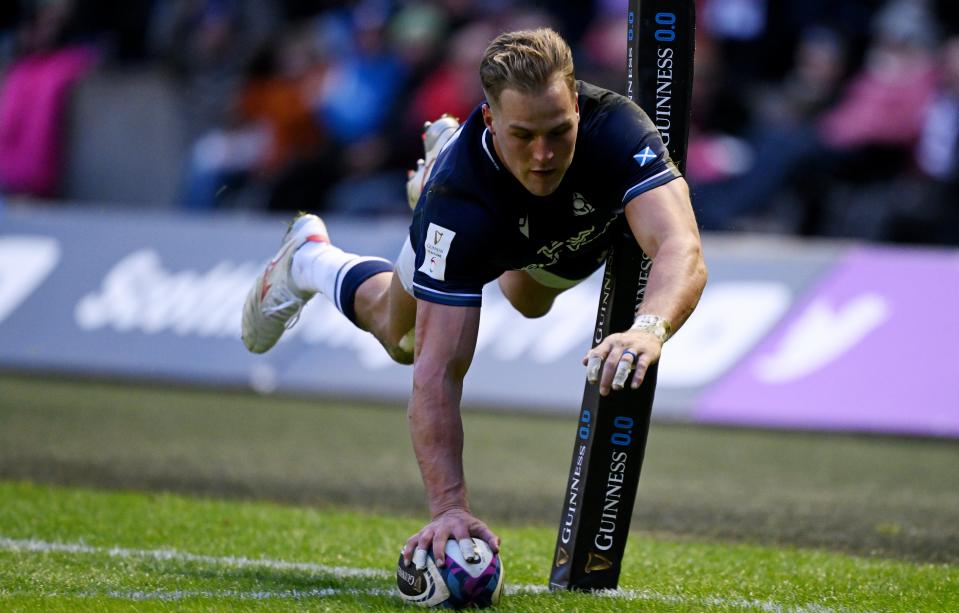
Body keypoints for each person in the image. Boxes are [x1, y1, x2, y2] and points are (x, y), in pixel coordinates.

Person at [241, 28, 707, 570]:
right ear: (490, 121)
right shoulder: (457, 204)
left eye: (559, 131)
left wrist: (648, 327)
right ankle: (309, 259)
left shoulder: (617, 127)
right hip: (485, 222)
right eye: (523, 135)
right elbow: (438, 375)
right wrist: (448, 509)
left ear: (577, 105)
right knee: (404, 338)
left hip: (564, 240)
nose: (543, 154)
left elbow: (680, 247)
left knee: (530, 301)